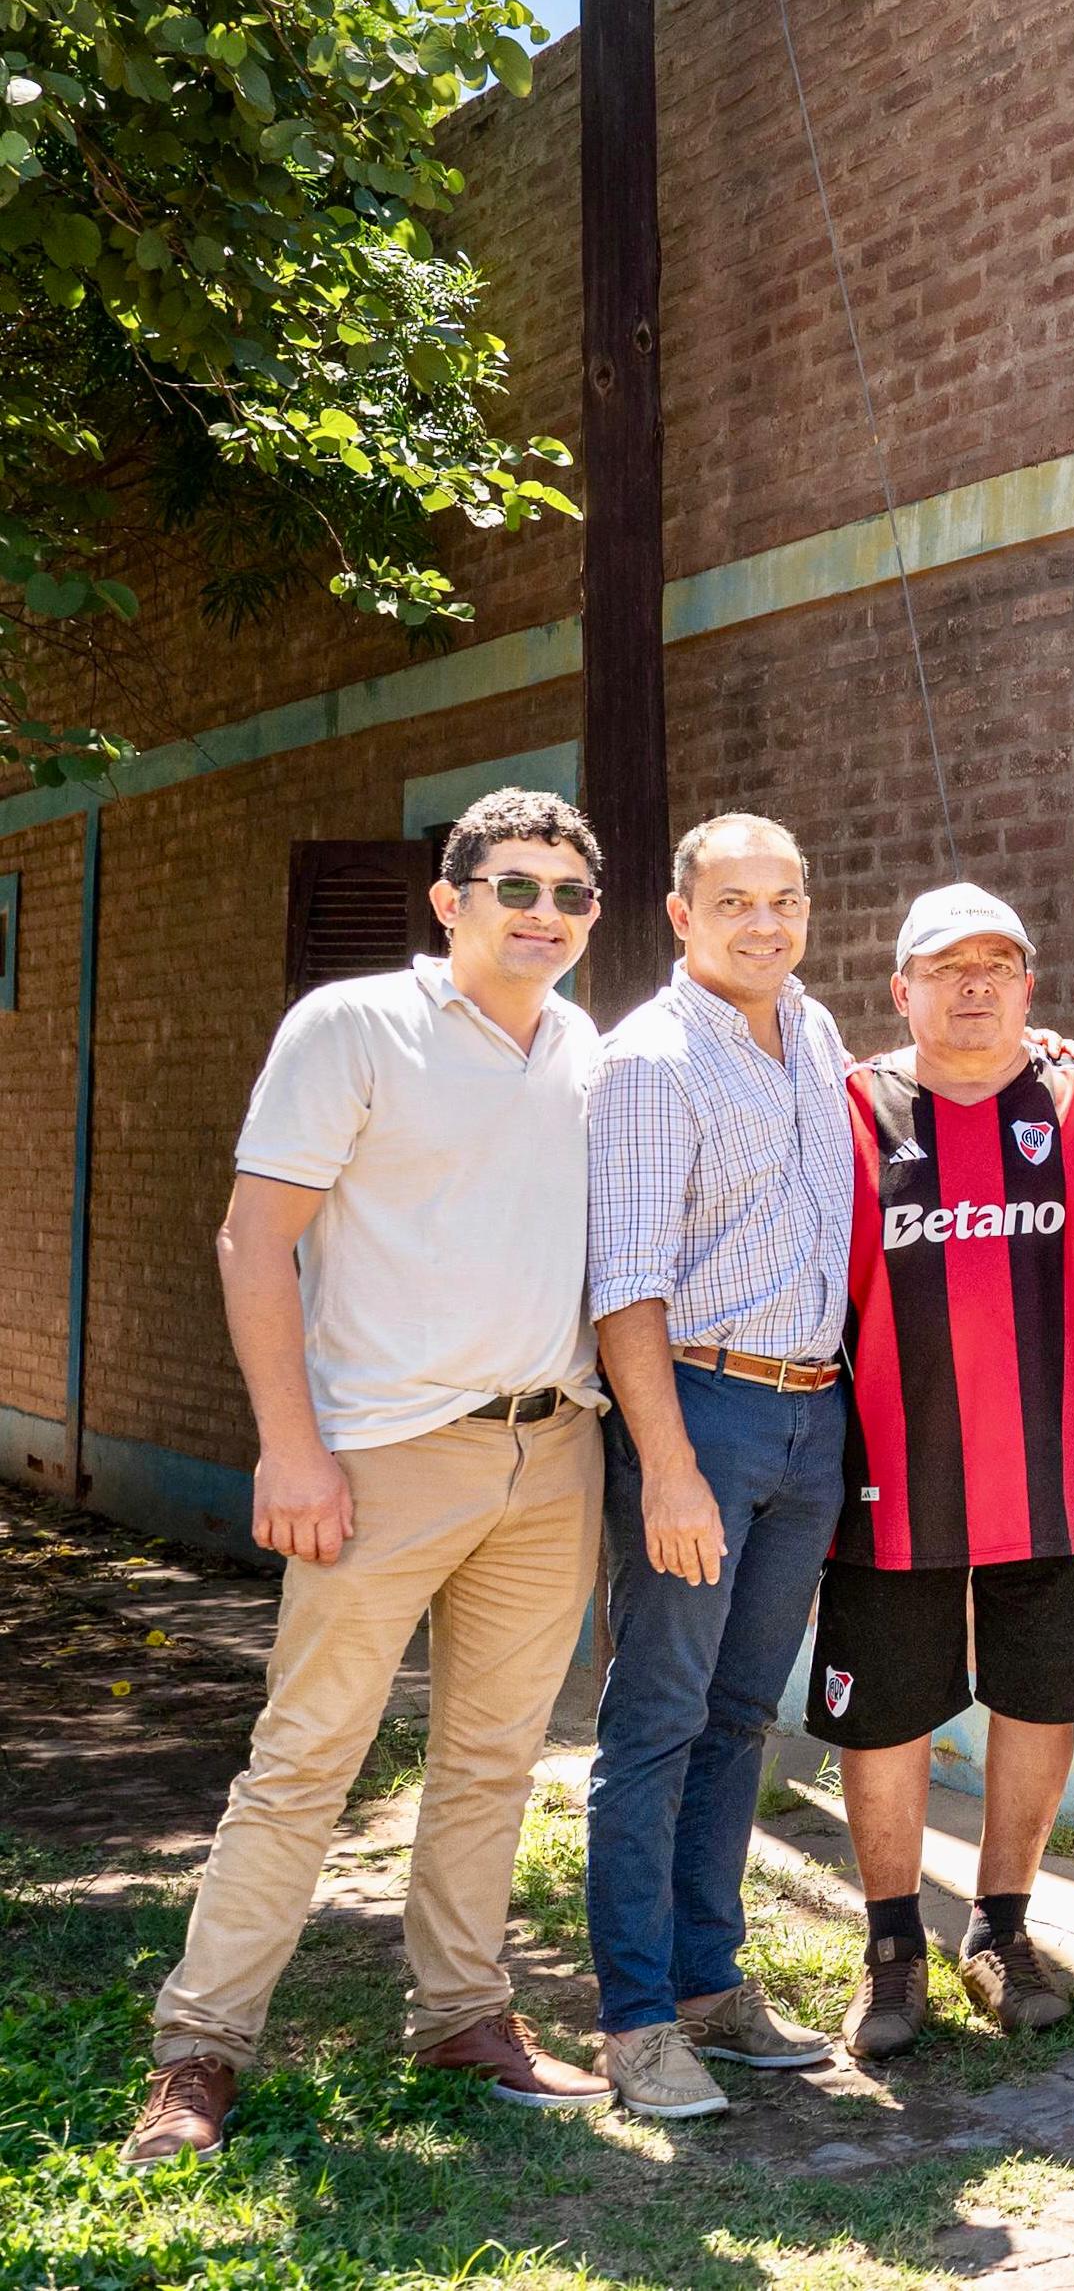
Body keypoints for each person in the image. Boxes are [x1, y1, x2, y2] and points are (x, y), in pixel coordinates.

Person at [126, 793, 617, 2170]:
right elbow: (252, 1238)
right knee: (302, 1765)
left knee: (492, 1759)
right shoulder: (350, 1027)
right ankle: (200, 2049)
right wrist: (291, 1443)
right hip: (381, 1455)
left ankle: (463, 2013)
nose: (545, 914)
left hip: (552, 1449)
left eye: (571, 896)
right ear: (448, 900)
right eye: (515, 886)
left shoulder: (584, 1048)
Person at [807, 883, 1074, 2062]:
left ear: (1030, 987)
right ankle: (893, 1949)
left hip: (1055, 1477)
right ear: (903, 992)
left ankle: (1002, 1929)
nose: (976, 984)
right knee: (885, 1712)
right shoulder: (848, 1108)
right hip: (890, 1480)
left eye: (1000, 963)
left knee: (1038, 1701)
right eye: (949, 967)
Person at [581, 813, 855, 2118]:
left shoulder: (813, 1032)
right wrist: (669, 1469)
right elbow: (623, 1289)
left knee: (743, 1716)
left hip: (811, 1417)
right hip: (699, 1408)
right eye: (735, 901)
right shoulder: (650, 1060)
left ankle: (709, 1980)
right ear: (682, 915)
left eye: (784, 898)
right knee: (657, 1722)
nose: (765, 922)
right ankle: (635, 2022)